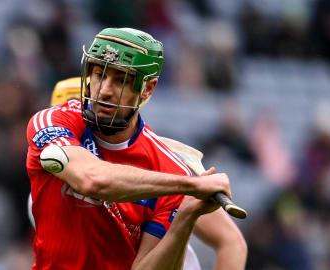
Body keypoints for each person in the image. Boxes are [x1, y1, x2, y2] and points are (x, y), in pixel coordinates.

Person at [26, 27, 239, 269]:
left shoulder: (172, 169)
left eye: (121, 80)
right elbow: (92, 180)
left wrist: (185, 218)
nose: (105, 90)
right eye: (99, 74)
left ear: (147, 89)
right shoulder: (52, 122)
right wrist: (190, 185)